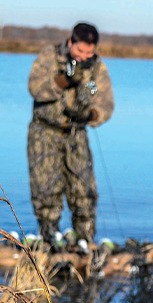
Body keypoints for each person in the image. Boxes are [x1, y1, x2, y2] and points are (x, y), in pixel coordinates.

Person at [26, 22, 114, 246]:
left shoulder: (96, 69)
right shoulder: (50, 57)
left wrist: (91, 115)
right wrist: (64, 80)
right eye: (80, 51)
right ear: (71, 42)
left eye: (89, 53)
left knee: (84, 191)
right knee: (45, 190)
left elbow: (105, 102)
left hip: (77, 134)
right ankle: (50, 239)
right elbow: (35, 88)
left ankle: (85, 242)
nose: (84, 56)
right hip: (45, 132)